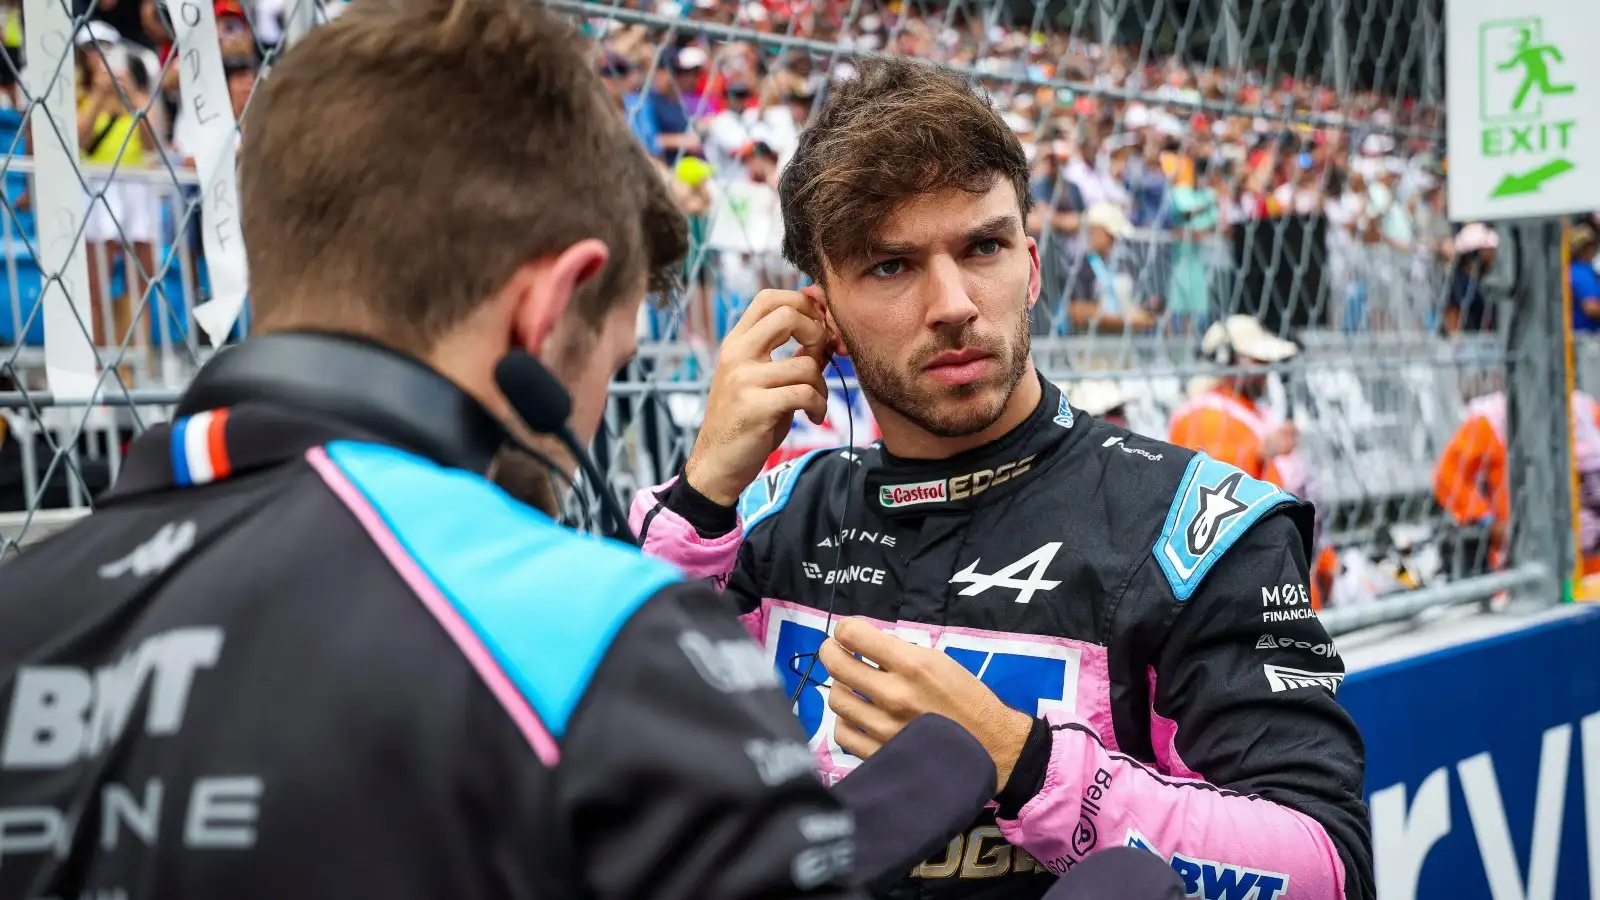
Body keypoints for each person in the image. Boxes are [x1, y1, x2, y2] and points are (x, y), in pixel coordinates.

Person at [0, 1, 931, 896]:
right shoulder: (600, 637)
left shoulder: (25, 608)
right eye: (609, 360)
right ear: (550, 308)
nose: (596, 406)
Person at [633, 58, 1373, 899]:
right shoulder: (765, 518)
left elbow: (1328, 866)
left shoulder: (1195, 529)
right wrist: (697, 497)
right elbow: (611, 758)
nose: (952, 302)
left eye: (982, 247)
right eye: (891, 266)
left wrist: (1024, 763)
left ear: (1031, 265)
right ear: (823, 313)